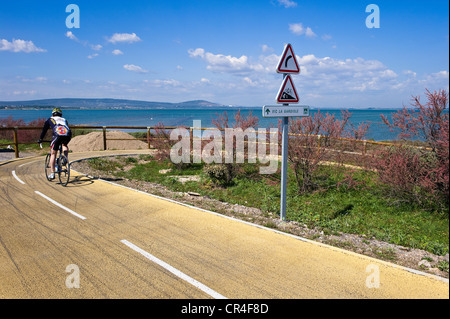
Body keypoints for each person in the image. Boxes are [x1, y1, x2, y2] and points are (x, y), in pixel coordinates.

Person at [38, 108, 72, 180]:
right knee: (64, 145)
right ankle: (65, 158)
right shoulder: (64, 119)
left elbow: (44, 130)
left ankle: (52, 173)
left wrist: (41, 139)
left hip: (57, 134)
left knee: (53, 154)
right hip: (68, 134)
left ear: (53, 114)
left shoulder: (50, 119)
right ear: (61, 114)